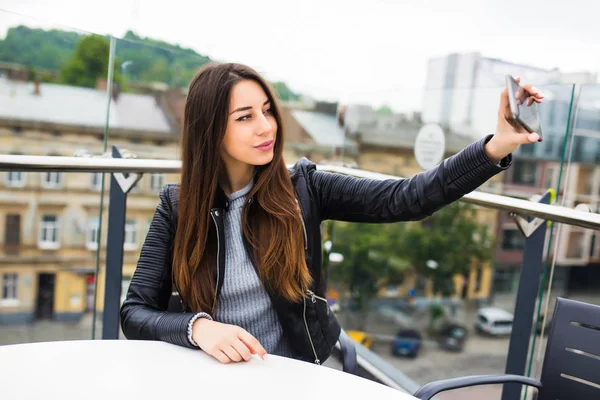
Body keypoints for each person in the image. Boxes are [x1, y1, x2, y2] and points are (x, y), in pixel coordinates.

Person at [120, 63, 543, 365]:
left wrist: (496, 147)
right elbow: (134, 312)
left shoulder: (303, 188)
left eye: (268, 110)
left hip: (296, 375)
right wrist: (199, 328)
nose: (267, 127)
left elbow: (407, 198)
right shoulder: (178, 206)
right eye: (245, 117)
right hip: (214, 380)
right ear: (210, 130)